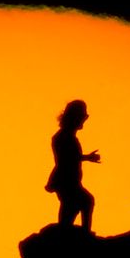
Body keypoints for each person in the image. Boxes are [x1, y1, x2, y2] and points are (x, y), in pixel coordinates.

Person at [44, 99, 101, 232]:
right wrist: (86, 157)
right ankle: (84, 235)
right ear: (74, 118)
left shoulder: (69, 137)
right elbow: (66, 159)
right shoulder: (62, 137)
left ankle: (70, 233)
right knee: (85, 201)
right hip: (66, 181)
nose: (84, 120)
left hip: (72, 181)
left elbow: (71, 157)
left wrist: (86, 157)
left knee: (72, 208)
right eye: (83, 116)